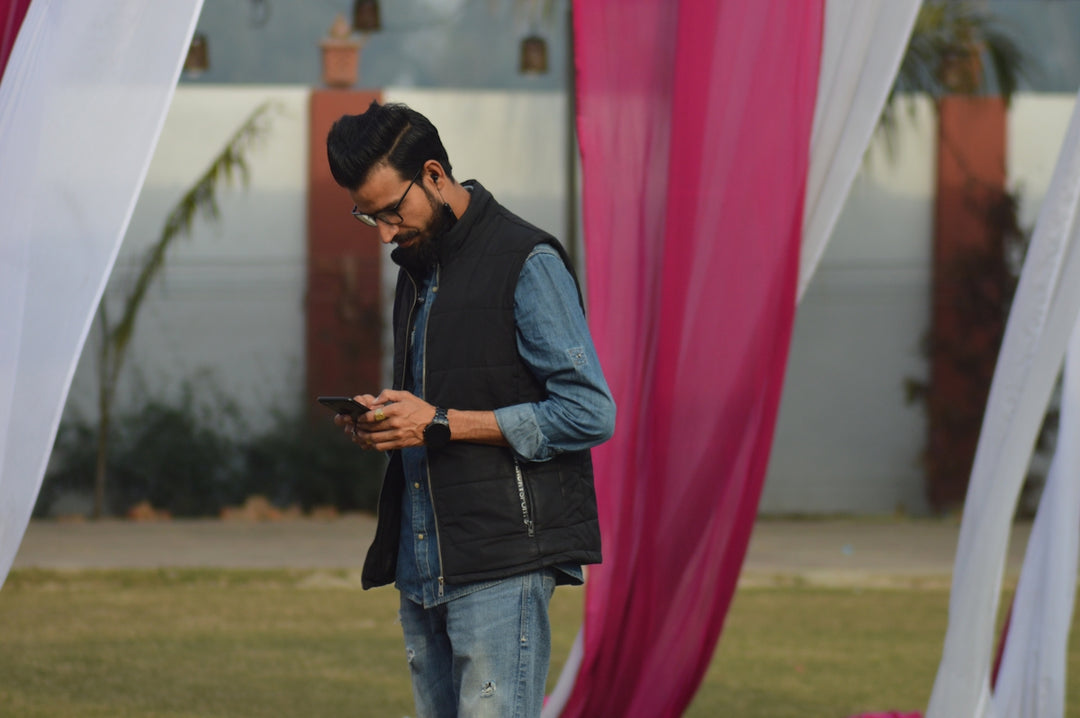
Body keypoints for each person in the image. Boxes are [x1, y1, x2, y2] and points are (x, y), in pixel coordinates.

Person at [325, 101, 615, 718]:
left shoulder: (527, 261)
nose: (384, 233)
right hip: (422, 560)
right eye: (368, 216)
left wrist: (439, 423)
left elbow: (590, 411)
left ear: (433, 174)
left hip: (502, 562)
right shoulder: (417, 269)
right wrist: (389, 421)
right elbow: (439, 403)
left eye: (391, 211)